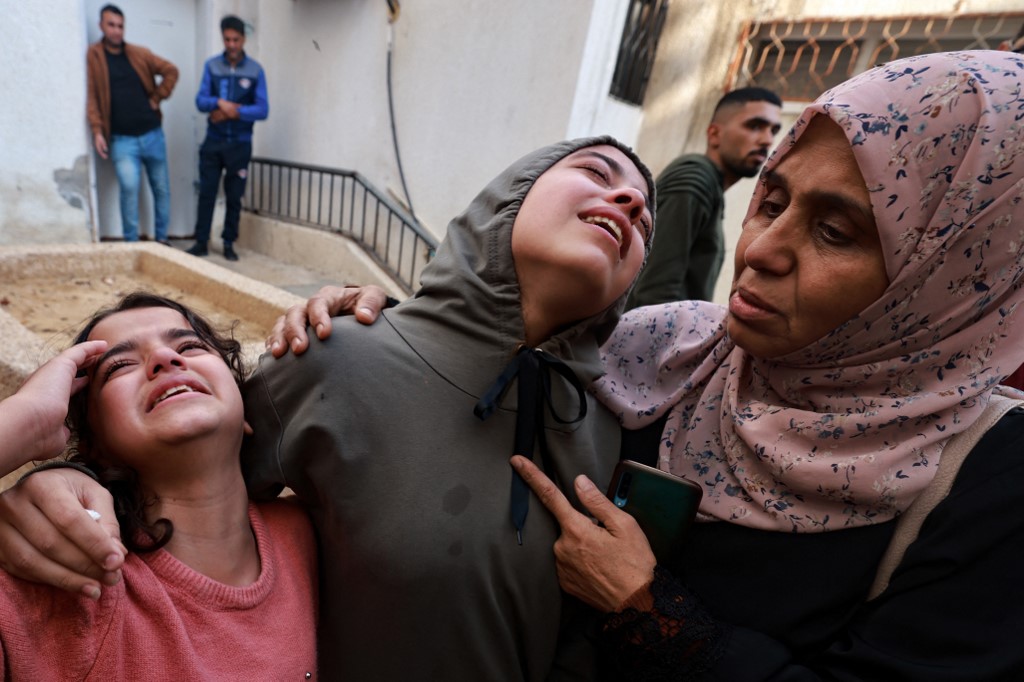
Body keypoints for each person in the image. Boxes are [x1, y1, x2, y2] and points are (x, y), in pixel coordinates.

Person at [262, 50, 1024, 678]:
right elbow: (490, 341)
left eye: (834, 232)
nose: (759, 250)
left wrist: (653, 615)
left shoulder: (988, 476)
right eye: (771, 199)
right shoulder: (667, 353)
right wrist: (377, 329)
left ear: (953, 275)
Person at [0, 137, 656, 680]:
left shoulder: (601, 425)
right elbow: (188, 476)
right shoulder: (335, 355)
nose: (629, 201)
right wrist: (65, 478)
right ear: (504, 199)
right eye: (596, 171)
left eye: (648, 221)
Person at [0, 293, 317, 678]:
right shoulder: (62, 579)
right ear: (93, 445)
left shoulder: (316, 532)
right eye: (119, 366)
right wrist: (25, 420)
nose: (166, 360)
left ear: (246, 410)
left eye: (189, 346)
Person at [626, 86, 781, 308]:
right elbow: (655, 291)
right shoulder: (694, 179)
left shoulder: (710, 185)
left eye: (773, 131)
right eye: (755, 126)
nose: (767, 140)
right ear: (715, 134)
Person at [86, 4, 178, 244]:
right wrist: (97, 130)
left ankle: (162, 241)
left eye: (120, 26)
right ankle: (131, 245)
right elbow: (93, 96)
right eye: (111, 25)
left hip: (152, 134)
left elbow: (171, 70)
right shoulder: (95, 56)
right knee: (129, 190)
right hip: (121, 140)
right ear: (101, 26)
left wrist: (157, 97)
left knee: (161, 189)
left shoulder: (140, 54)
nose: (116, 31)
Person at [186, 15, 269, 262]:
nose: (231, 44)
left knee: (234, 198)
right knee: (207, 193)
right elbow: (201, 101)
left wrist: (236, 112)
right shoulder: (212, 66)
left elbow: (263, 109)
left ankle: (228, 243)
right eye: (227, 39)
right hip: (213, 142)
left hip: (240, 145)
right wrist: (219, 102)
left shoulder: (256, 70)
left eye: (236, 39)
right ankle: (201, 241)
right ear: (223, 39)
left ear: (243, 39)